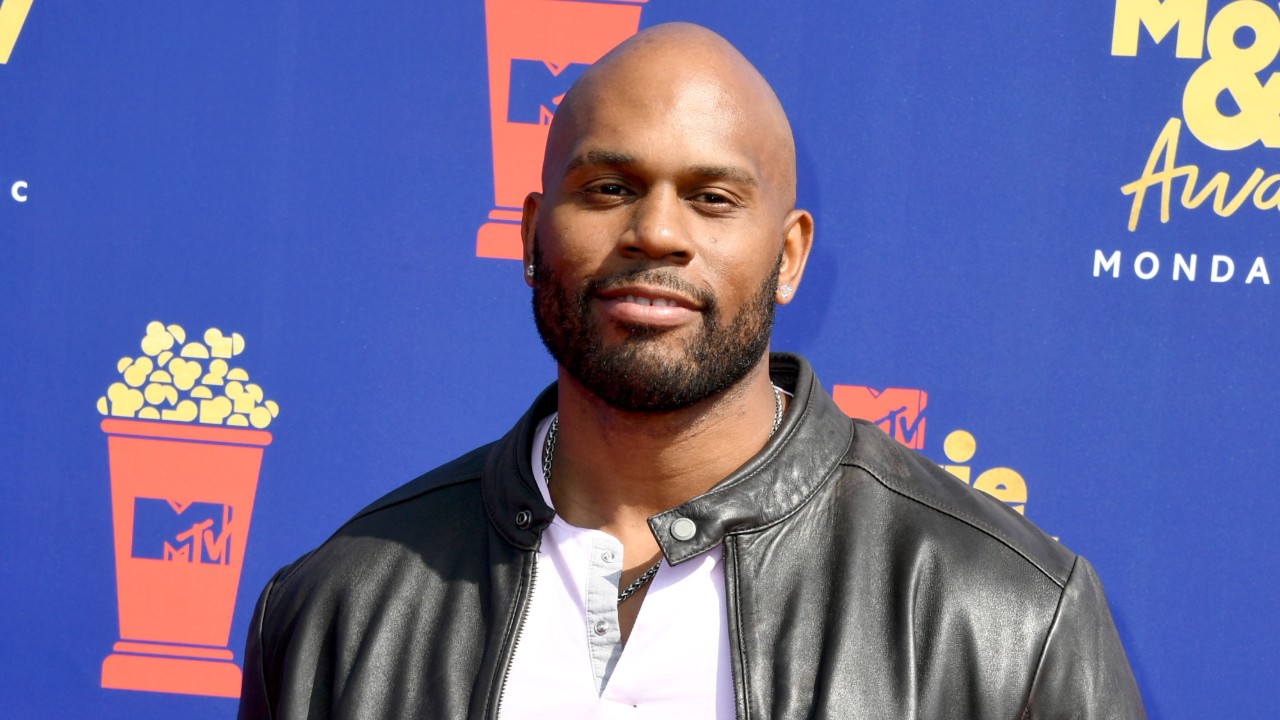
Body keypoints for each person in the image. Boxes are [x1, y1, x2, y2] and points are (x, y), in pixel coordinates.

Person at [238, 22, 1145, 719]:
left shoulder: (1004, 617)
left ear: (789, 256)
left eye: (712, 199)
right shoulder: (341, 605)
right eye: (608, 188)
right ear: (529, 237)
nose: (656, 234)